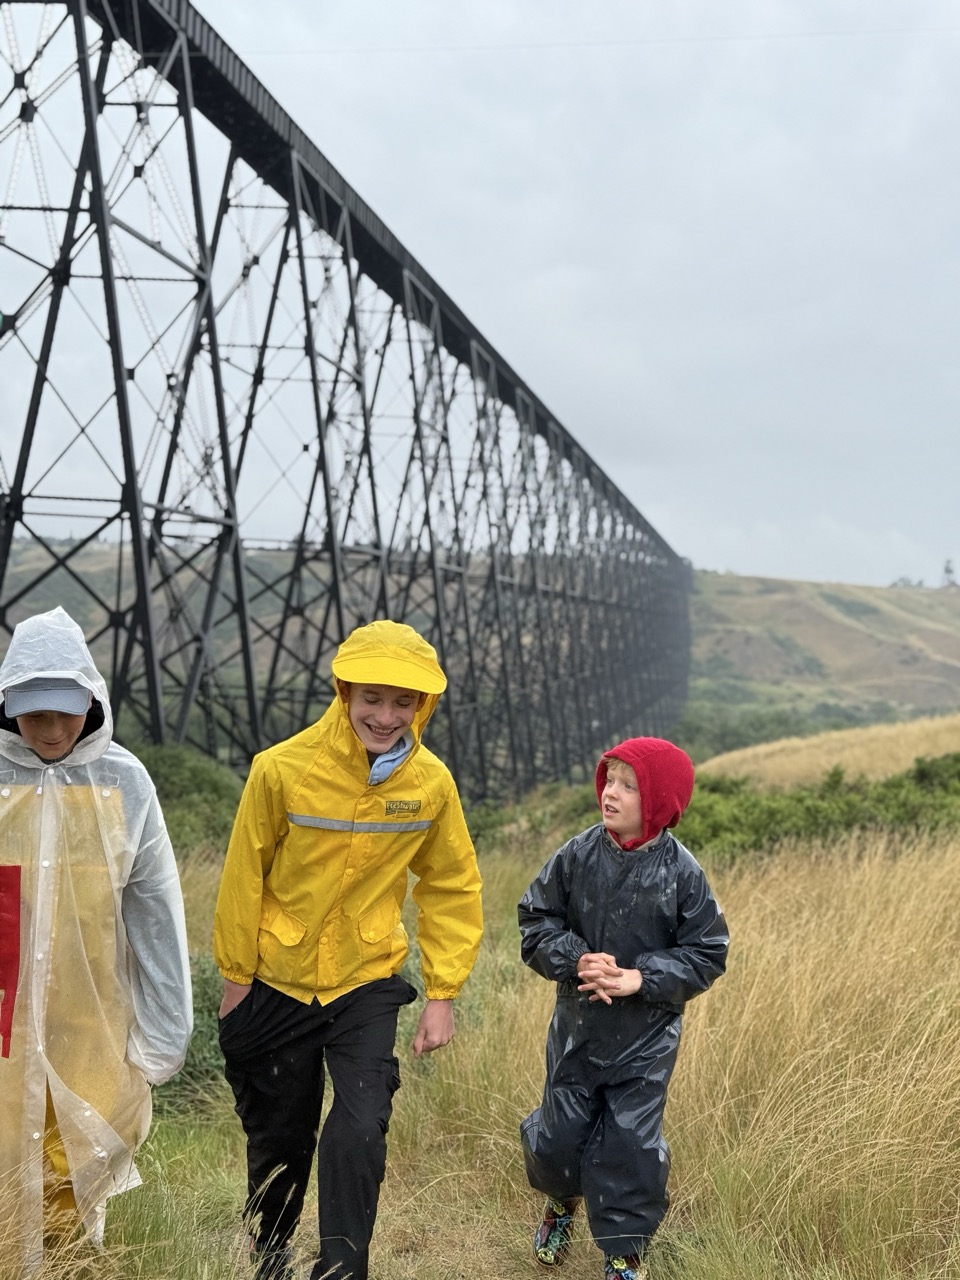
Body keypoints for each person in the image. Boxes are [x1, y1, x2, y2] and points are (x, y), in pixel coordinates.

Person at [213, 619, 483, 1280]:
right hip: (278, 977)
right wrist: (236, 978)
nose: (386, 716)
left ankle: (341, 1270)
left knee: (362, 1126)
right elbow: (244, 877)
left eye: (403, 702)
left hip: (365, 979)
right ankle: (270, 1253)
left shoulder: (431, 783)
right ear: (344, 692)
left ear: (424, 705)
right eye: (372, 698)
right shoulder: (280, 769)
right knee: (280, 1132)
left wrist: (443, 993)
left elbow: (450, 885)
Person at [0, 606, 193, 1275]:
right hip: (3, 1026)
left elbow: (155, 910)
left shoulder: (123, 782)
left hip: (92, 1028)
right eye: (34, 714)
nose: (52, 729)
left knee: (74, 1170)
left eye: (65, 711)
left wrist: (165, 1033)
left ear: (91, 699)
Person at [518, 736, 728, 1280]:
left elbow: (708, 952)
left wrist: (642, 977)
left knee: (631, 1143)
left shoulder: (683, 872)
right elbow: (535, 921)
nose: (610, 793)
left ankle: (624, 1251)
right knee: (559, 1136)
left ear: (659, 800)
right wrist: (575, 958)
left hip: (647, 1038)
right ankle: (560, 1203)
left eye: (628, 786)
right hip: (578, 1029)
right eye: (609, 780)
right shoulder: (577, 854)